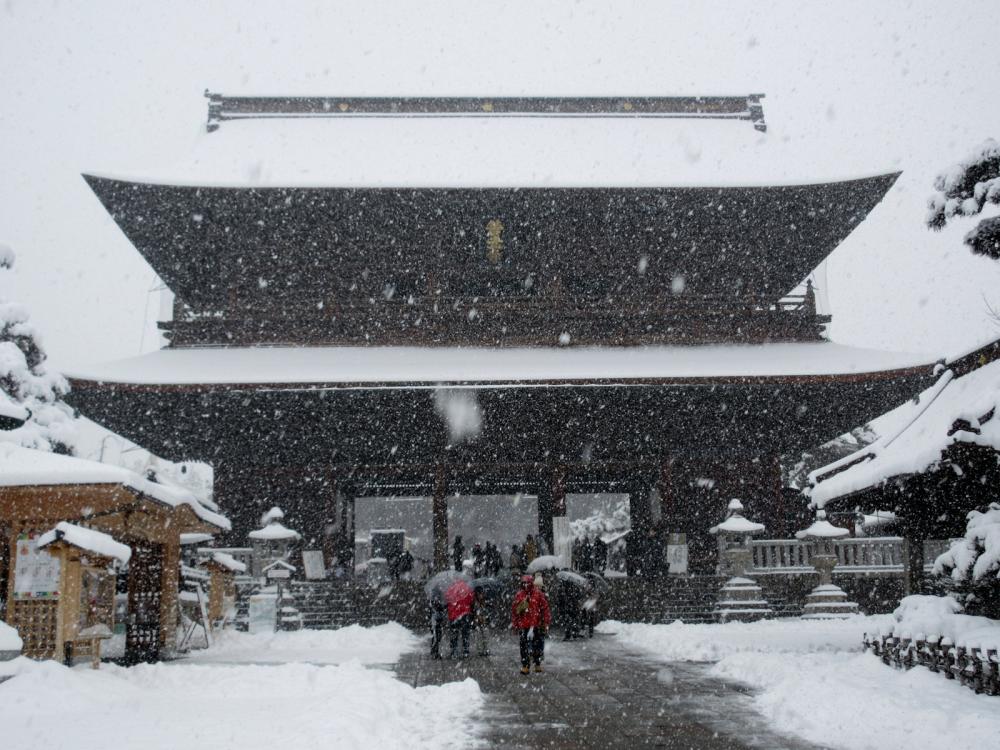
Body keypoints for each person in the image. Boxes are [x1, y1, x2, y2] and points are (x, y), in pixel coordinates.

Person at [511, 574, 551, 675]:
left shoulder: (538, 594)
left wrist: (546, 621)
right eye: (523, 583)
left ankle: (537, 663)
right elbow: (515, 611)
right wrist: (515, 624)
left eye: (527, 582)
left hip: (536, 624)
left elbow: (545, 608)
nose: (525, 585)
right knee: (523, 646)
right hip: (524, 625)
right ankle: (525, 665)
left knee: (537, 645)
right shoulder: (519, 595)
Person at [447, 581, 474, 659]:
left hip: (453, 616)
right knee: (465, 634)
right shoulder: (467, 589)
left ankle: (454, 651)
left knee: (454, 634)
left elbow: (447, 599)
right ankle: (465, 651)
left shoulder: (450, 589)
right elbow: (471, 600)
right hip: (465, 615)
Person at [472, 586, 490, 657]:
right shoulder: (474, 602)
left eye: (482, 593)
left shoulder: (485, 601)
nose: (481, 595)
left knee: (485, 635)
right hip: (477, 623)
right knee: (478, 636)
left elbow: (488, 611)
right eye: (480, 593)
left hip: (484, 622)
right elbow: (473, 613)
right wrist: (477, 617)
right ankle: (480, 651)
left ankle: (486, 649)